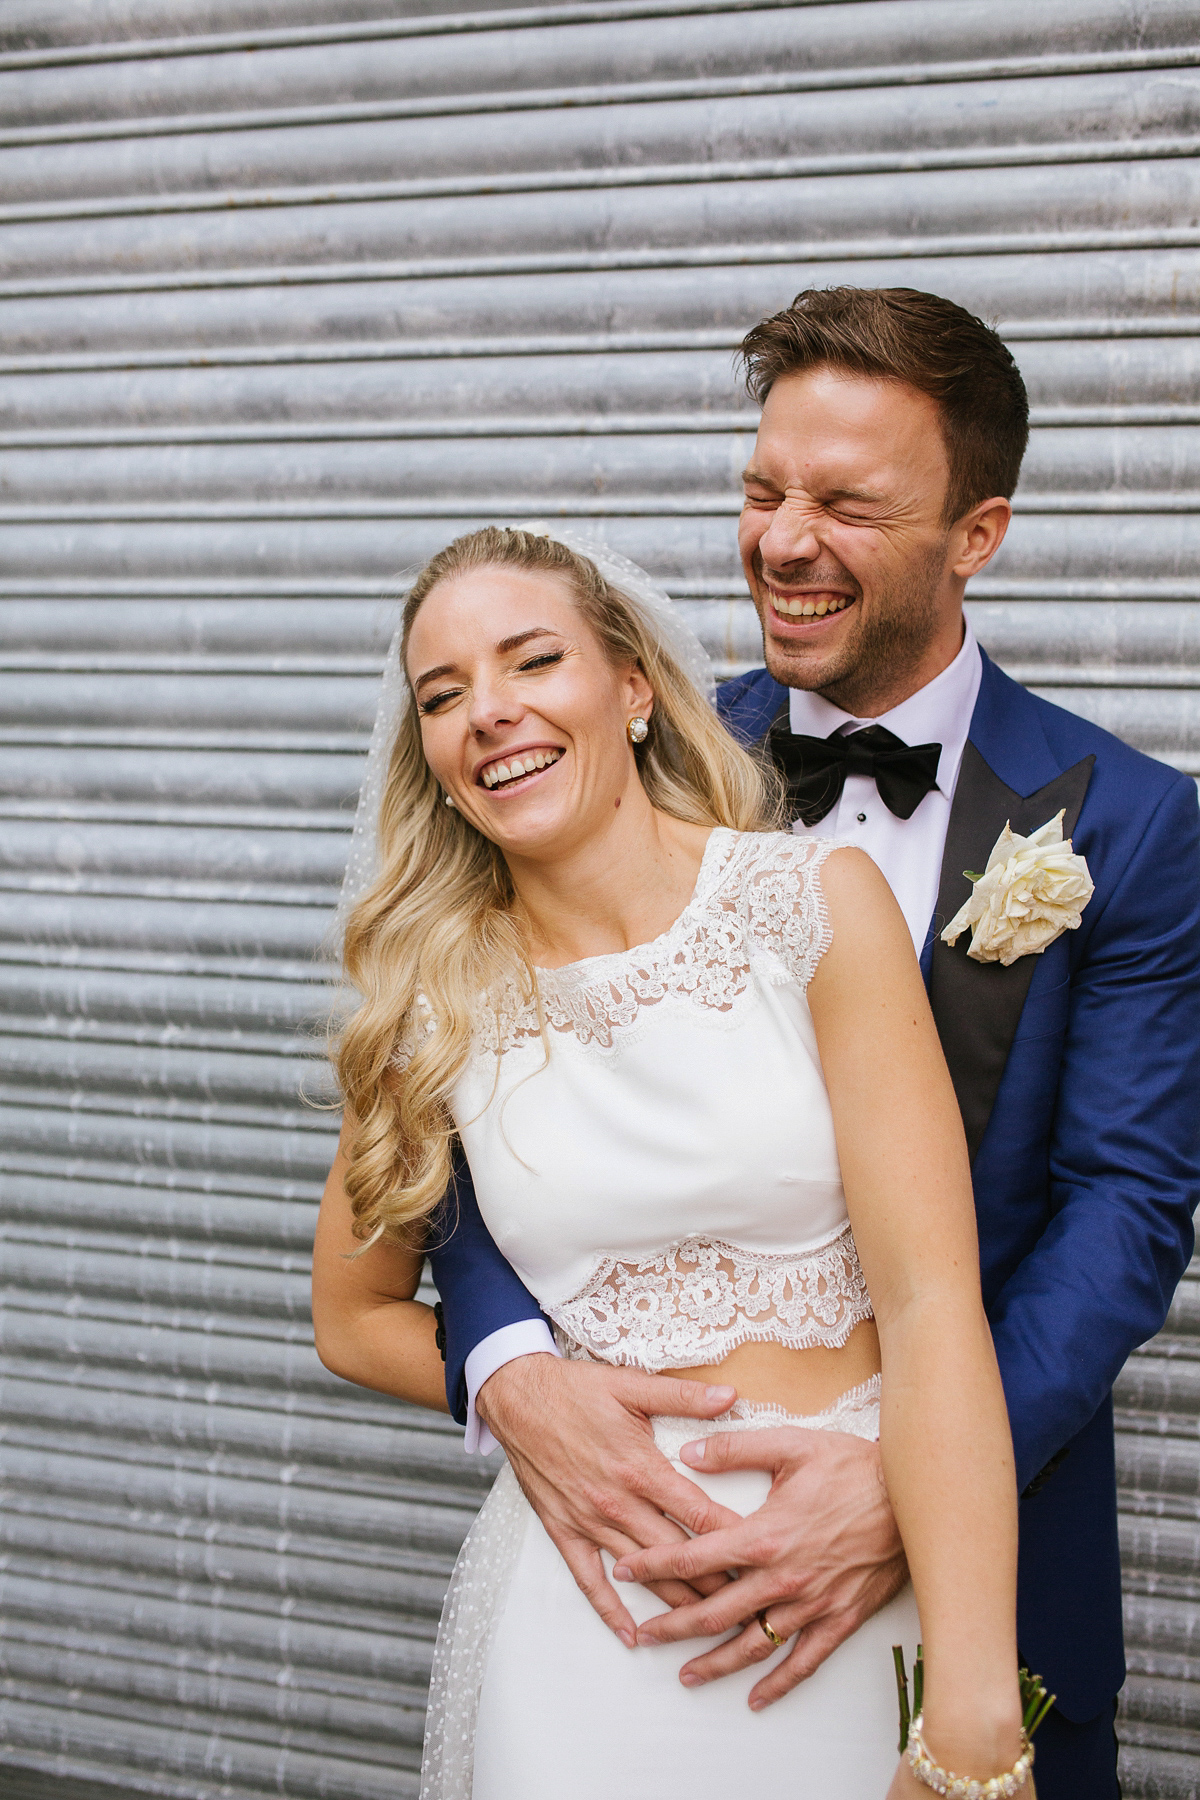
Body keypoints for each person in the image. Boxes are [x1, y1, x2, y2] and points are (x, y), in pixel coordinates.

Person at [420, 290, 1200, 1800]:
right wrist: (508, 1364)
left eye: (847, 504)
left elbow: (1126, 1213)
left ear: (976, 535)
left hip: (990, 1559)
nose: (782, 540)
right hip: (632, 1569)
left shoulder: (1132, 826)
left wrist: (904, 1485)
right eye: (764, 490)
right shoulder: (611, 744)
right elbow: (473, 1090)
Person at [310, 522, 1032, 1798]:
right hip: (591, 1609)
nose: (490, 712)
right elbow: (353, 1317)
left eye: (531, 661)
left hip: (850, 1573)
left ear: (632, 688)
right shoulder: (432, 998)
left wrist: (972, 1713)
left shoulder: (815, 904)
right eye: (443, 694)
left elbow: (932, 1311)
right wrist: (520, 1387)